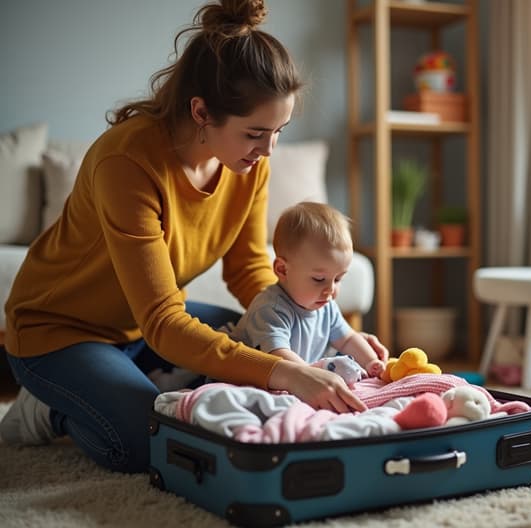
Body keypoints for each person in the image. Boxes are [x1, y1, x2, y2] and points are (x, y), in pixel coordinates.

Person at [0, 0, 388, 474]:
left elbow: (249, 271)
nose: (269, 150)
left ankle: (134, 383)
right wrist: (285, 371)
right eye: (255, 133)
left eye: (279, 131)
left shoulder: (247, 165)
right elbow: (164, 320)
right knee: (151, 442)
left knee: (251, 346)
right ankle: (51, 408)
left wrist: (320, 332)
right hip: (60, 333)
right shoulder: (126, 162)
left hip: (141, 329)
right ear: (202, 112)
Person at [222, 202, 386, 384]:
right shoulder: (270, 309)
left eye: (338, 279)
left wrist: (371, 361)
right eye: (319, 279)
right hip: (246, 379)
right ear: (282, 270)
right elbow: (279, 356)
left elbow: (347, 339)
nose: (331, 290)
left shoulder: (326, 306)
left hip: (294, 378)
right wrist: (315, 377)